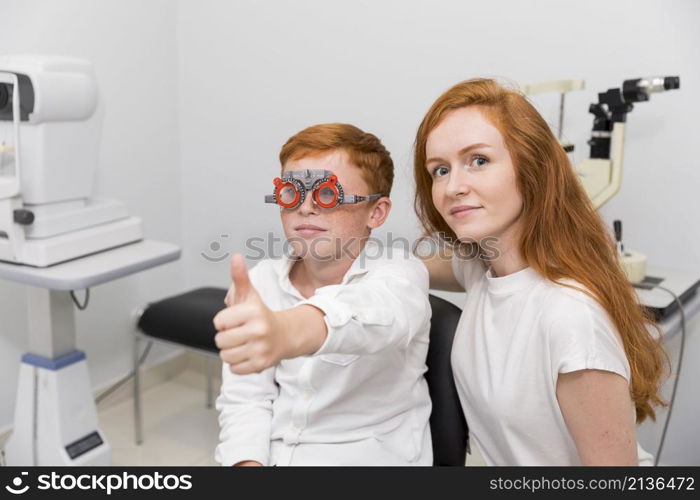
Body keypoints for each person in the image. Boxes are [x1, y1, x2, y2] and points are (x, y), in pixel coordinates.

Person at [413, 78, 667, 466]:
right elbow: (406, 266)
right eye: (440, 170)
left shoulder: (568, 317)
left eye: (478, 161)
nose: (453, 187)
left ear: (531, 166)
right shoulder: (483, 269)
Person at [213, 123, 433, 466]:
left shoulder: (400, 275)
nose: (305, 208)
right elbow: (245, 400)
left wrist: (284, 331)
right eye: (292, 193)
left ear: (376, 212)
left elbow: (373, 316)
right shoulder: (261, 281)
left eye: (327, 195)